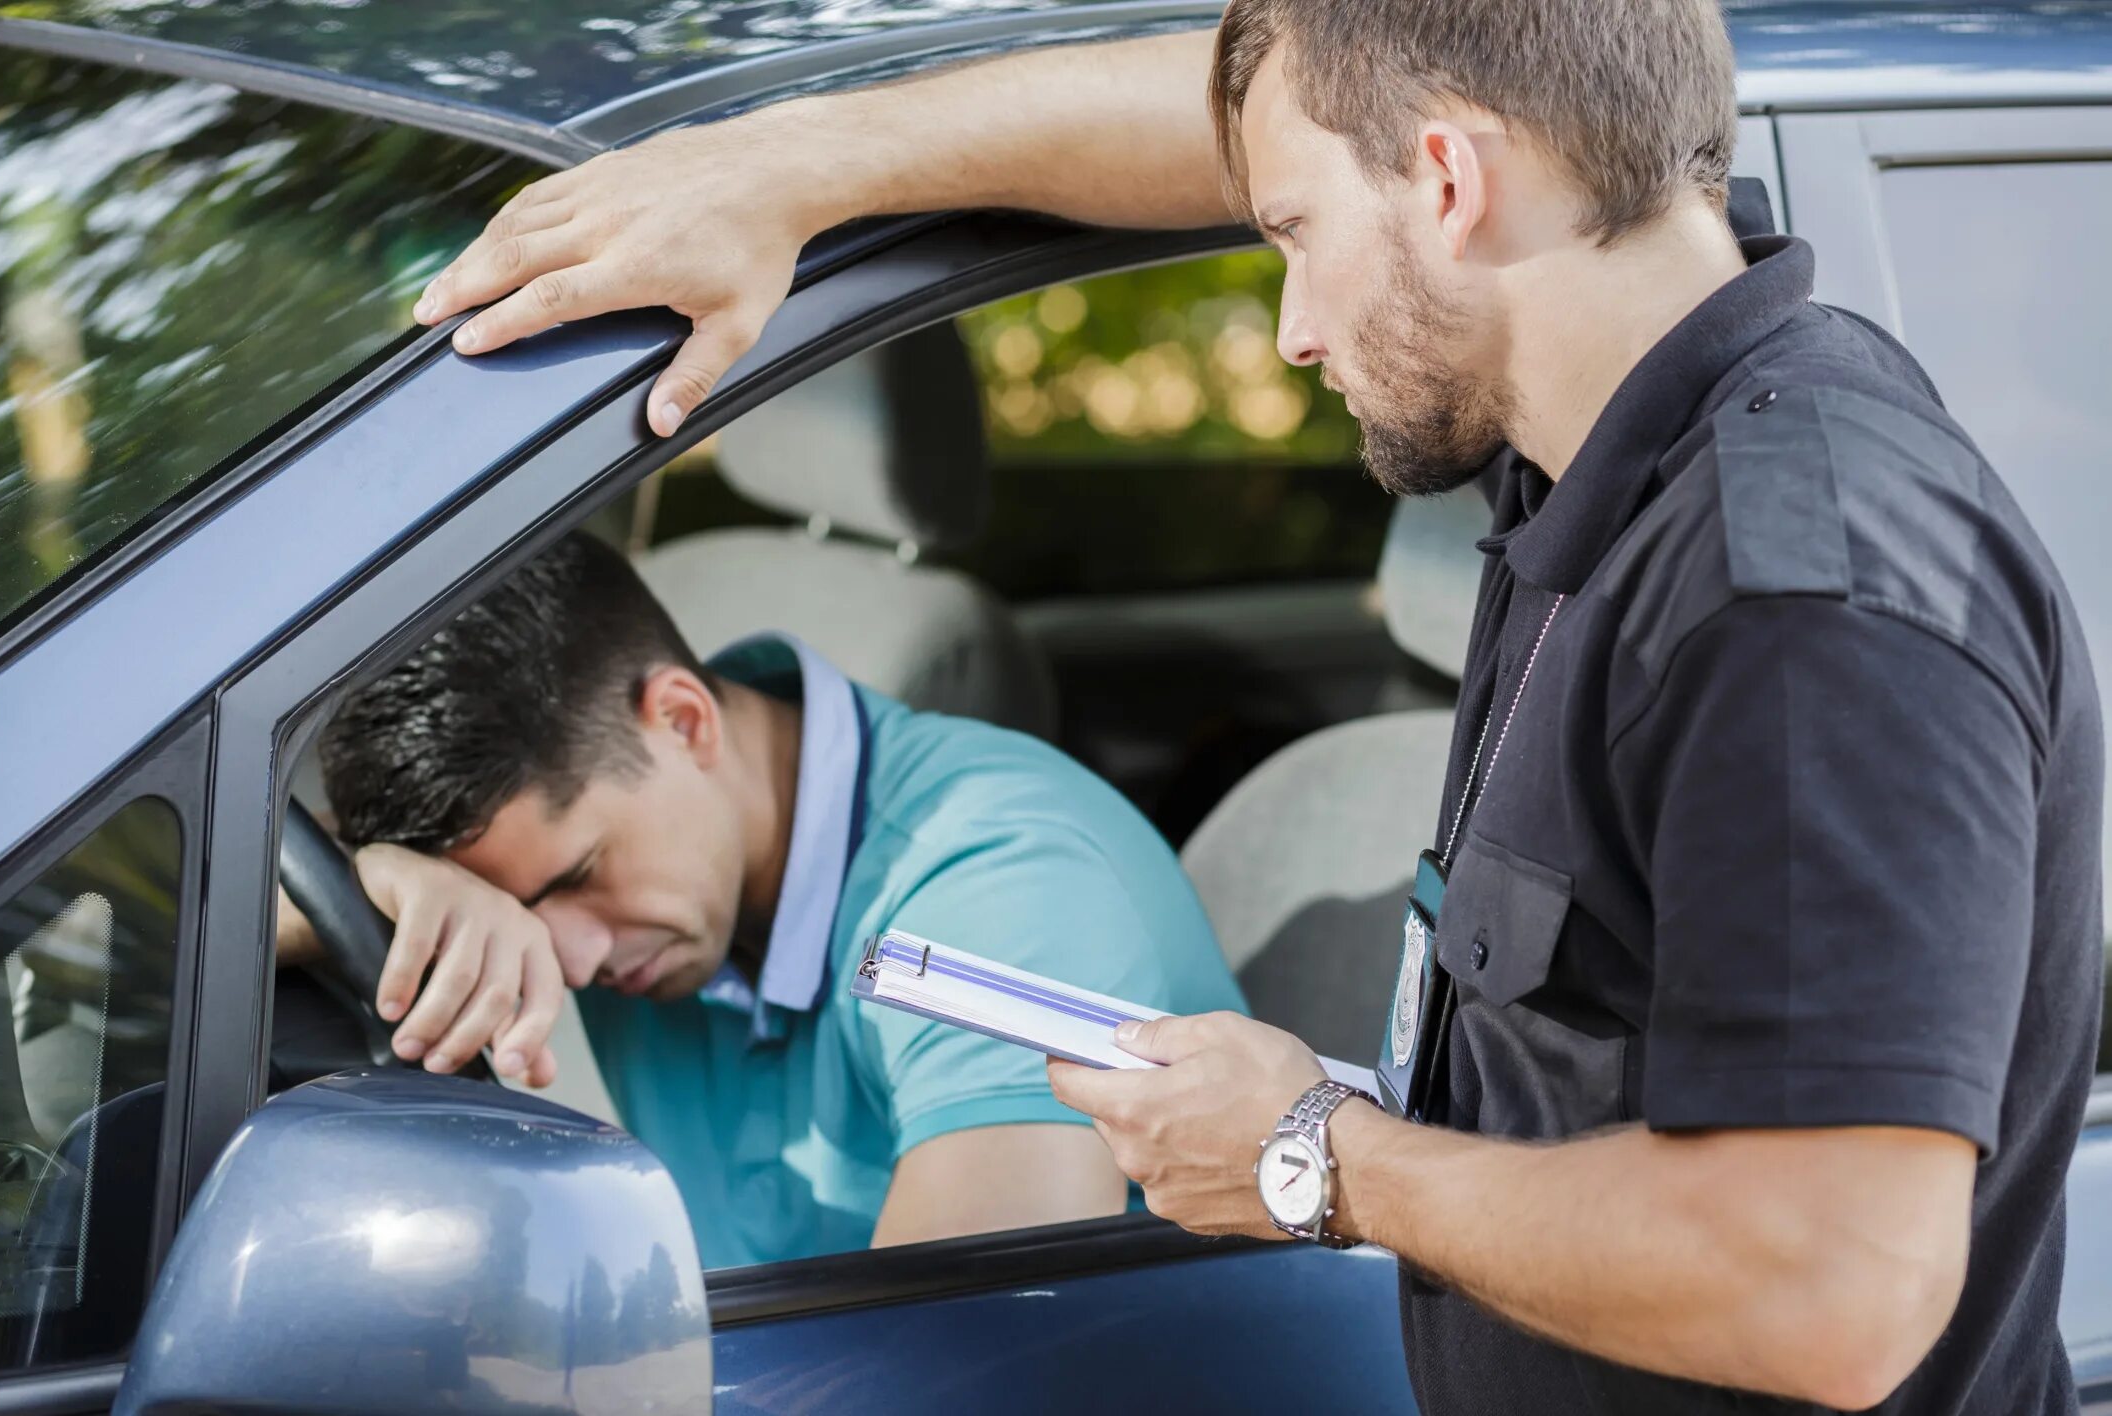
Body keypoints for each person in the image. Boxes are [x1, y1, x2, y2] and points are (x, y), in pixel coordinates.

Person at [408, 4, 2104, 1412]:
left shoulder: (1800, 595)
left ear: (1448, 178)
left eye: (1289, 235)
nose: (1286, 326)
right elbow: (1246, 111)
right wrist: (795, 168)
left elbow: (1835, 1282)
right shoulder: (1595, 455)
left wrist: (1319, 1154)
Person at [281, 532, 1245, 1269]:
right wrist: (382, 881)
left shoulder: (998, 887)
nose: (568, 964)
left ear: (682, 719)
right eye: (509, 907)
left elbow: (947, 1366)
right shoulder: (658, 878)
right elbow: (222, 895)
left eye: (575, 877)